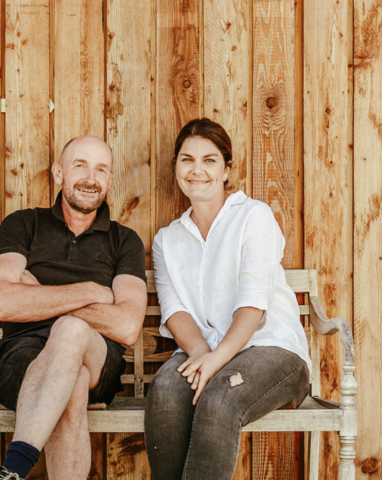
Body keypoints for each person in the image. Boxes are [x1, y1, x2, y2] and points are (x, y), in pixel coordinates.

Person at [144, 118, 311, 480]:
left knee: (220, 399)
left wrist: (216, 361)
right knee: (166, 391)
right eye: (187, 160)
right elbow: (175, 311)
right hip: (204, 350)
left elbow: (253, 305)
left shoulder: (253, 217)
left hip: (272, 350)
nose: (197, 170)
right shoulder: (167, 240)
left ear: (226, 170)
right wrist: (201, 354)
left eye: (210, 160)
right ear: (176, 168)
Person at [0, 135, 147, 480]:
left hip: (97, 356)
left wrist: (37, 294)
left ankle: (13, 468)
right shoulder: (23, 224)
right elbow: (1, 302)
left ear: (109, 179)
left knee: (71, 329)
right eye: (80, 166)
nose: (91, 178)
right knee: (72, 382)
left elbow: (127, 326)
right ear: (59, 173)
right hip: (21, 358)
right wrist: (90, 292)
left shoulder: (125, 240)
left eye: (101, 169)